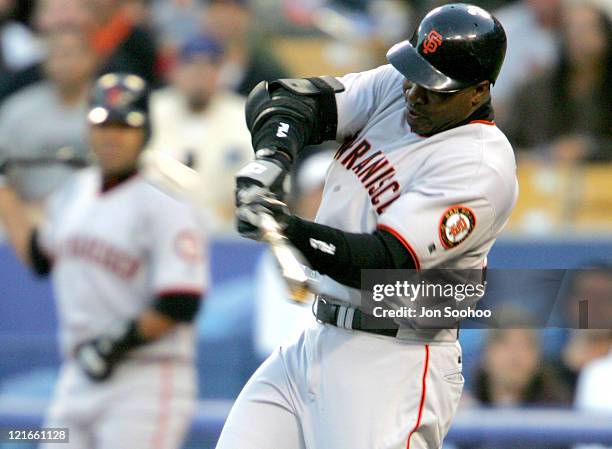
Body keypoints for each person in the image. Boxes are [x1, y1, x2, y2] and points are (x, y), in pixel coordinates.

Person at [220, 3, 518, 449]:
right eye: (414, 75)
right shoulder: (397, 89)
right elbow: (284, 98)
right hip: (317, 338)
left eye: (435, 89)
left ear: (477, 92)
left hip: (394, 363)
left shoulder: (480, 165)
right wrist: (272, 161)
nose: (415, 95)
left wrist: (289, 229)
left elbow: (384, 264)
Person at [0, 73, 206, 449]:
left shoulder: (166, 204)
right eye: (102, 122)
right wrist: (4, 190)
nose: (112, 135)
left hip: (145, 378)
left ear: (144, 132)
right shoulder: (75, 191)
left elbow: (181, 300)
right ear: (88, 128)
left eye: (125, 125)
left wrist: (113, 344)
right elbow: (39, 258)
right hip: (77, 376)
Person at [148, 33, 252, 232]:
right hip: (157, 226)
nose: (199, 74)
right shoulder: (153, 109)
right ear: (176, 70)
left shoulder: (243, 115)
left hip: (224, 232)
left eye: (209, 66)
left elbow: (259, 183)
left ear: (221, 72)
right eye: (191, 65)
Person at [502, 0, 612, 161]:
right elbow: (507, 142)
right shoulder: (535, 91)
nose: (579, 38)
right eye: (571, 30)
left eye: (588, 30)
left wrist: (589, 149)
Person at [0, 27, 97, 205]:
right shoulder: (17, 110)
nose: (64, 63)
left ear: (92, 58)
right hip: (31, 211)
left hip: (100, 212)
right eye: (56, 55)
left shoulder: (109, 109)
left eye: (71, 54)